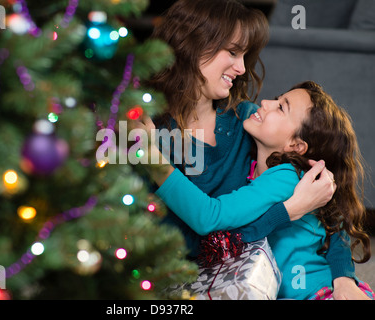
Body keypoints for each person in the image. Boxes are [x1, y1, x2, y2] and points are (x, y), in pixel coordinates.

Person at [145, 0, 359, 298]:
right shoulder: (151, 134)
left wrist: (345, 278)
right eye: (233, 52)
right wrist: (289, 211)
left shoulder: (247, 120)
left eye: (244, 55)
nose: (242, 67)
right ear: (193, 44)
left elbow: (332, 212)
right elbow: (202, 238)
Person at [142, 81, 372, 299]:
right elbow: (231, 239)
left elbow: (209, 216)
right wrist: (286, 212)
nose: (264, 102)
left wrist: (154, 159)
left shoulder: (287, 176)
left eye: (281, 107)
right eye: (275, 99)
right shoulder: (253, 170)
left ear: (296, 145)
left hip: (314, 294)